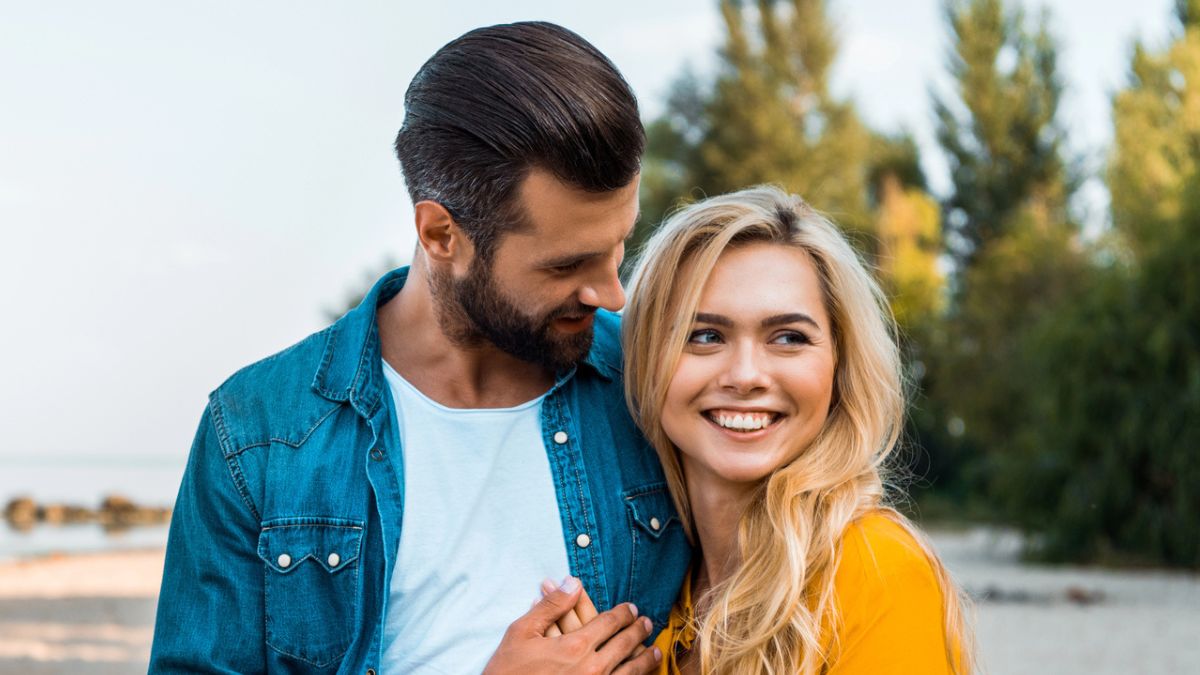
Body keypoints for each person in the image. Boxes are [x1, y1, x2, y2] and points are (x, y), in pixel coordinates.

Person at [150, 22, 689, 674]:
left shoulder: (658, 383)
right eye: (565, 265)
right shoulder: (257, 432)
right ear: (441, 235)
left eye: (620, 244)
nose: (613, 294)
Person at [558, 186, 974, 673]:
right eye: (705, 336)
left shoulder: (876, 569)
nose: (746, 375)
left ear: (839, 368)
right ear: (649, 361)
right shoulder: (661, 593)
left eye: (788, 338)